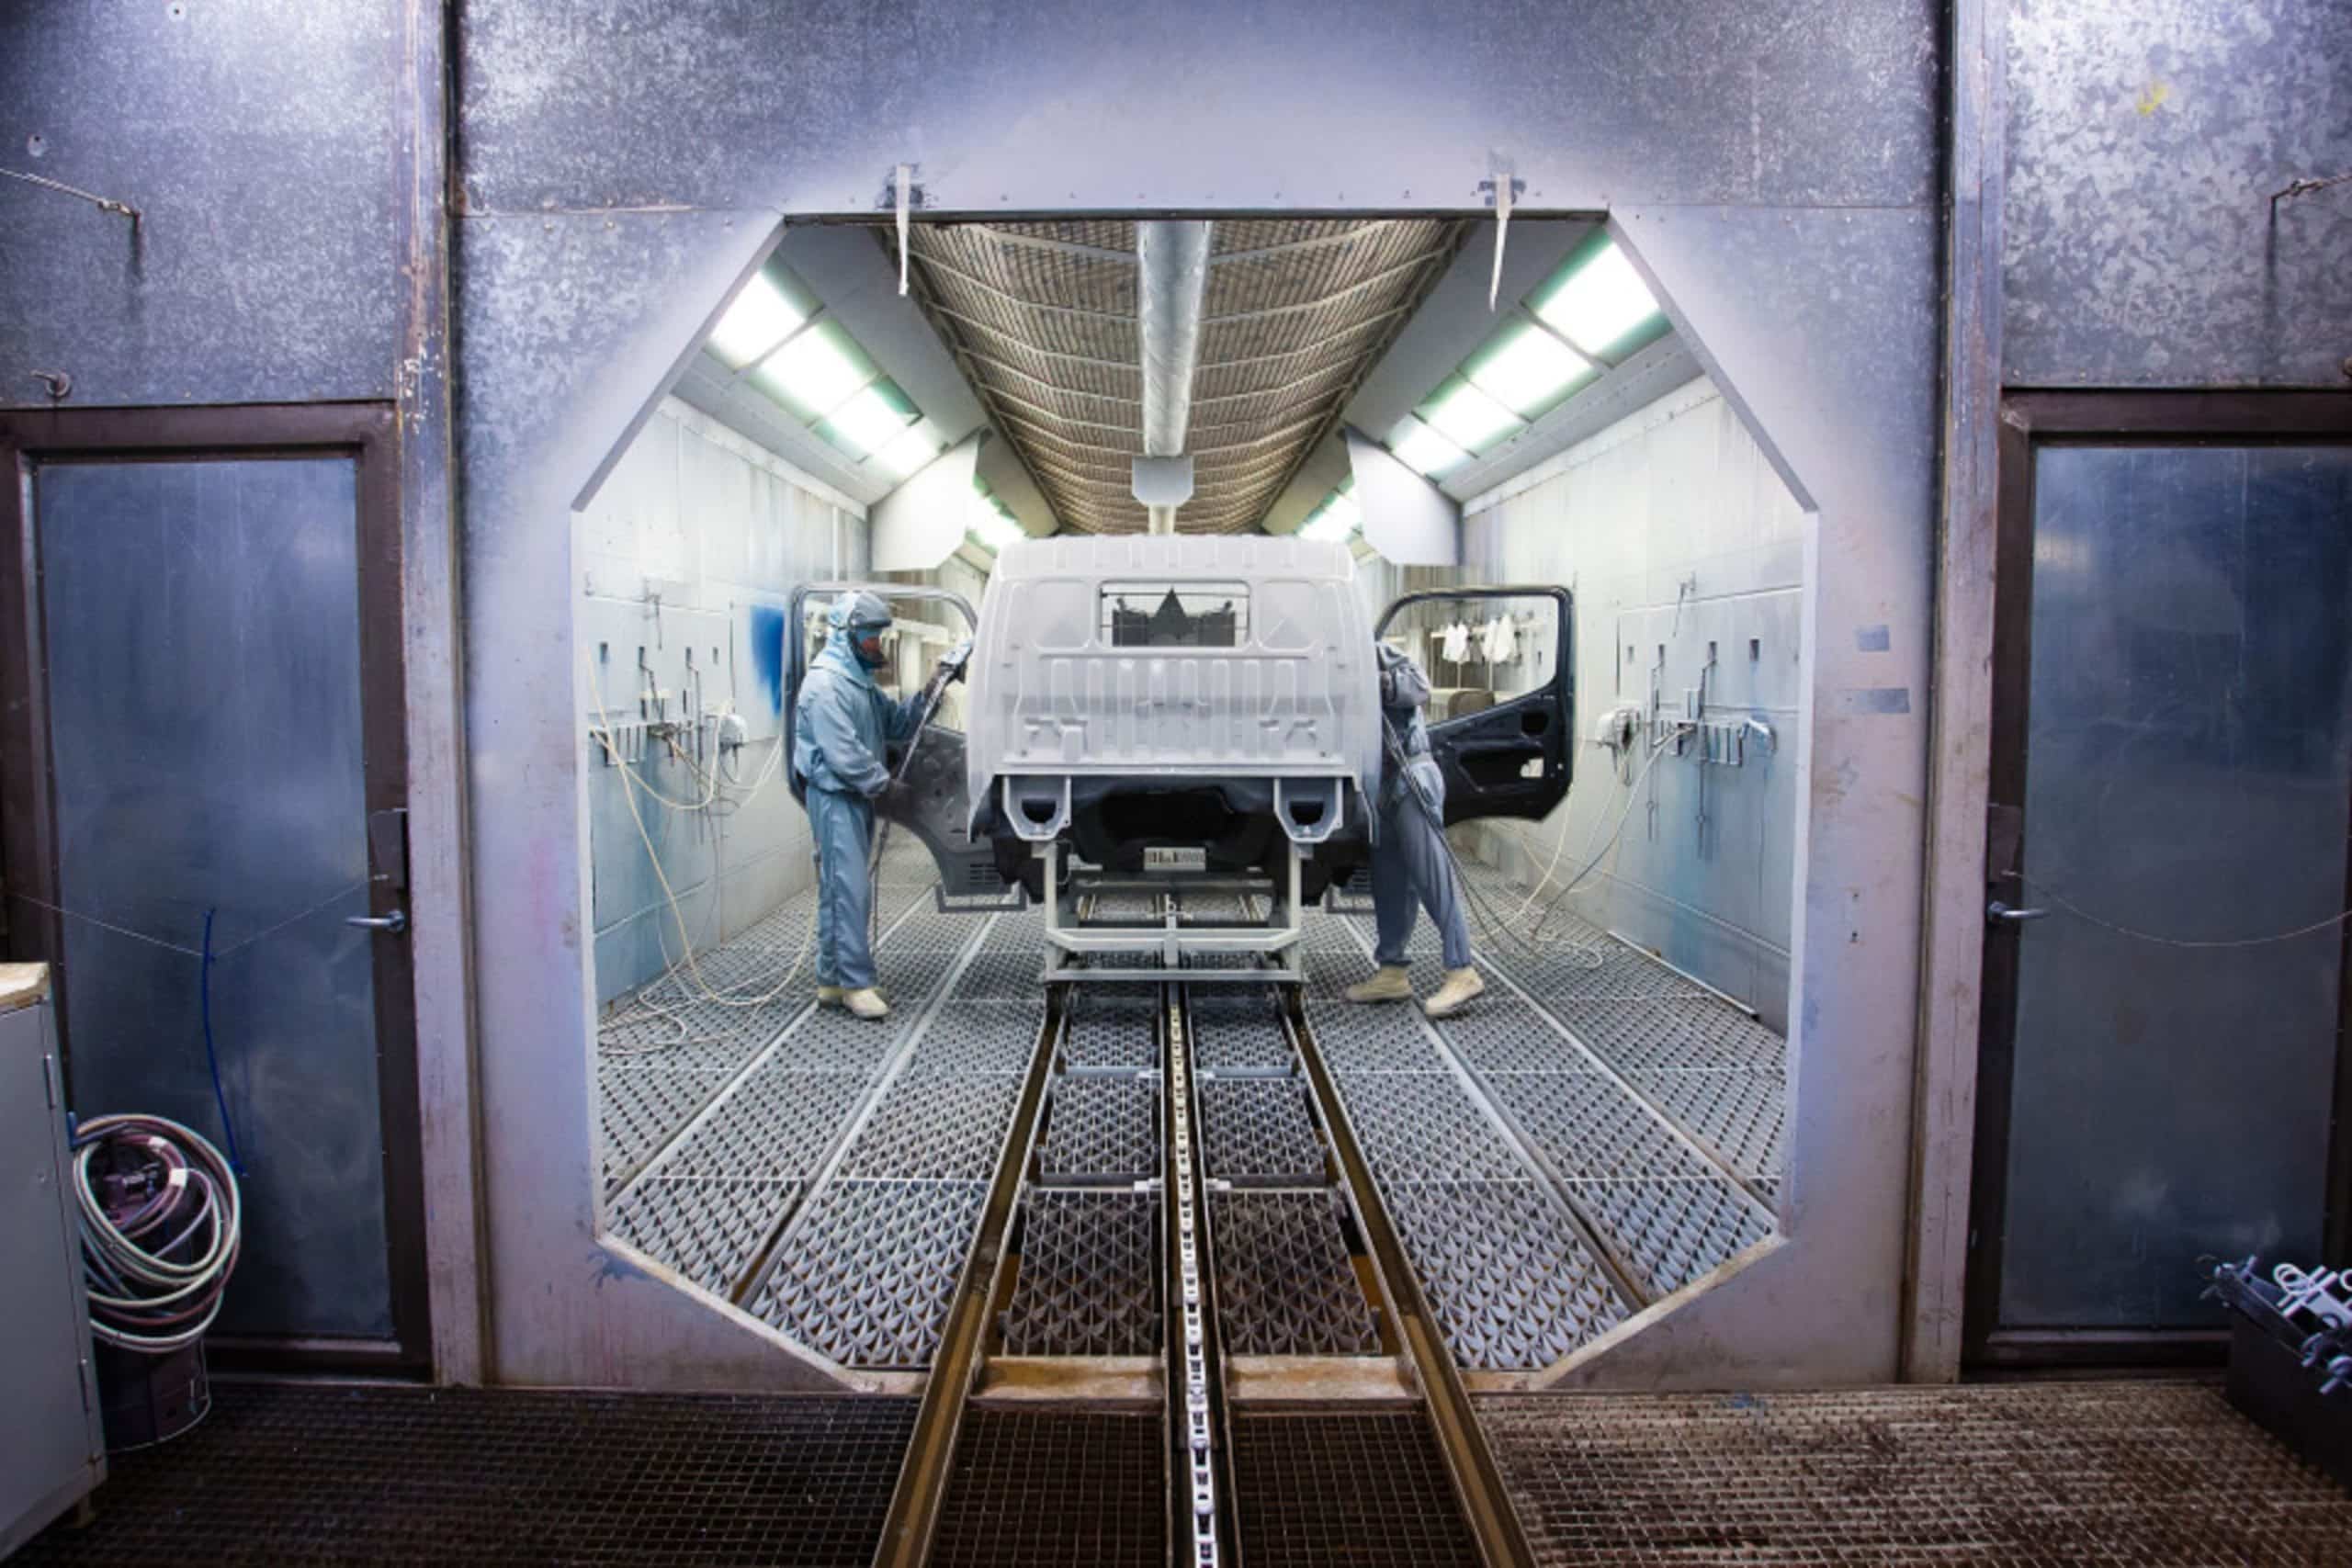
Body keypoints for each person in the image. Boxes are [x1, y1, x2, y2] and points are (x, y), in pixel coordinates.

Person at [792, 591, 934, 1020]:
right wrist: (884, 786)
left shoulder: (857, 682)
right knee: (848, 889)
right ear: (847, 636)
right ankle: (856, 985)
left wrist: (929, 693)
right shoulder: (825, 685)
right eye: (872, 639)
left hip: (853, 798)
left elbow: (894, 723)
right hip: (835, 798)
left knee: (841, 888)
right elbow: (843, 753)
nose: (878, 647)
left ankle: (832, 979)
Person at [1344, 643, 1485, 1018]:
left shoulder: (1371, 649)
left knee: (1431, 876)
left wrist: (1380, 683)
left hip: (1411, 777)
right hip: (1380, 788)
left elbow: (1419, 685)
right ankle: (1392, 971)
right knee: (1390, 883)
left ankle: (1462, 970)